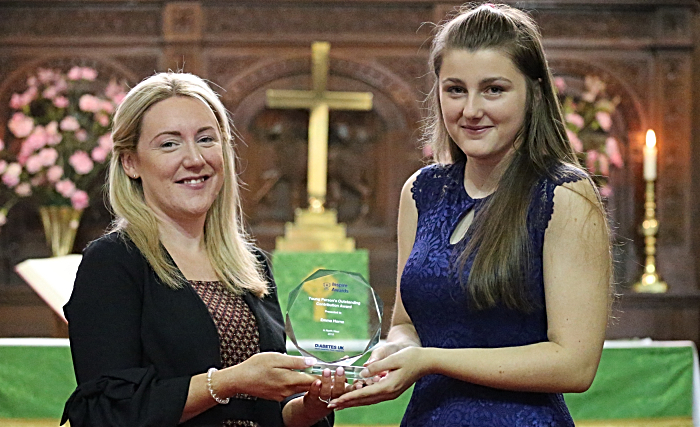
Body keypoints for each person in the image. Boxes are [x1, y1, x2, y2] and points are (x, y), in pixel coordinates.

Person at [327, 4, 613, 426]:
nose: (471, 110)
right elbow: (407, 323)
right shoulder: (421, 191)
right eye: (455, 89)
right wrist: (390, 354)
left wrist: (430, 361)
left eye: (493, 89)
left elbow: (574, 364)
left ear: (534, 92)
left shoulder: (564, 194)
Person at [61, 72, 348, 427]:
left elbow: (270, 410)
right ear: (130, 162)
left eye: (206, 139)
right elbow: (103, 413)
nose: (195, 159)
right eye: (169, 144)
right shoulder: (114, 262)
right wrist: (229, 381)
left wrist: (310, 407)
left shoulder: (250, 264)